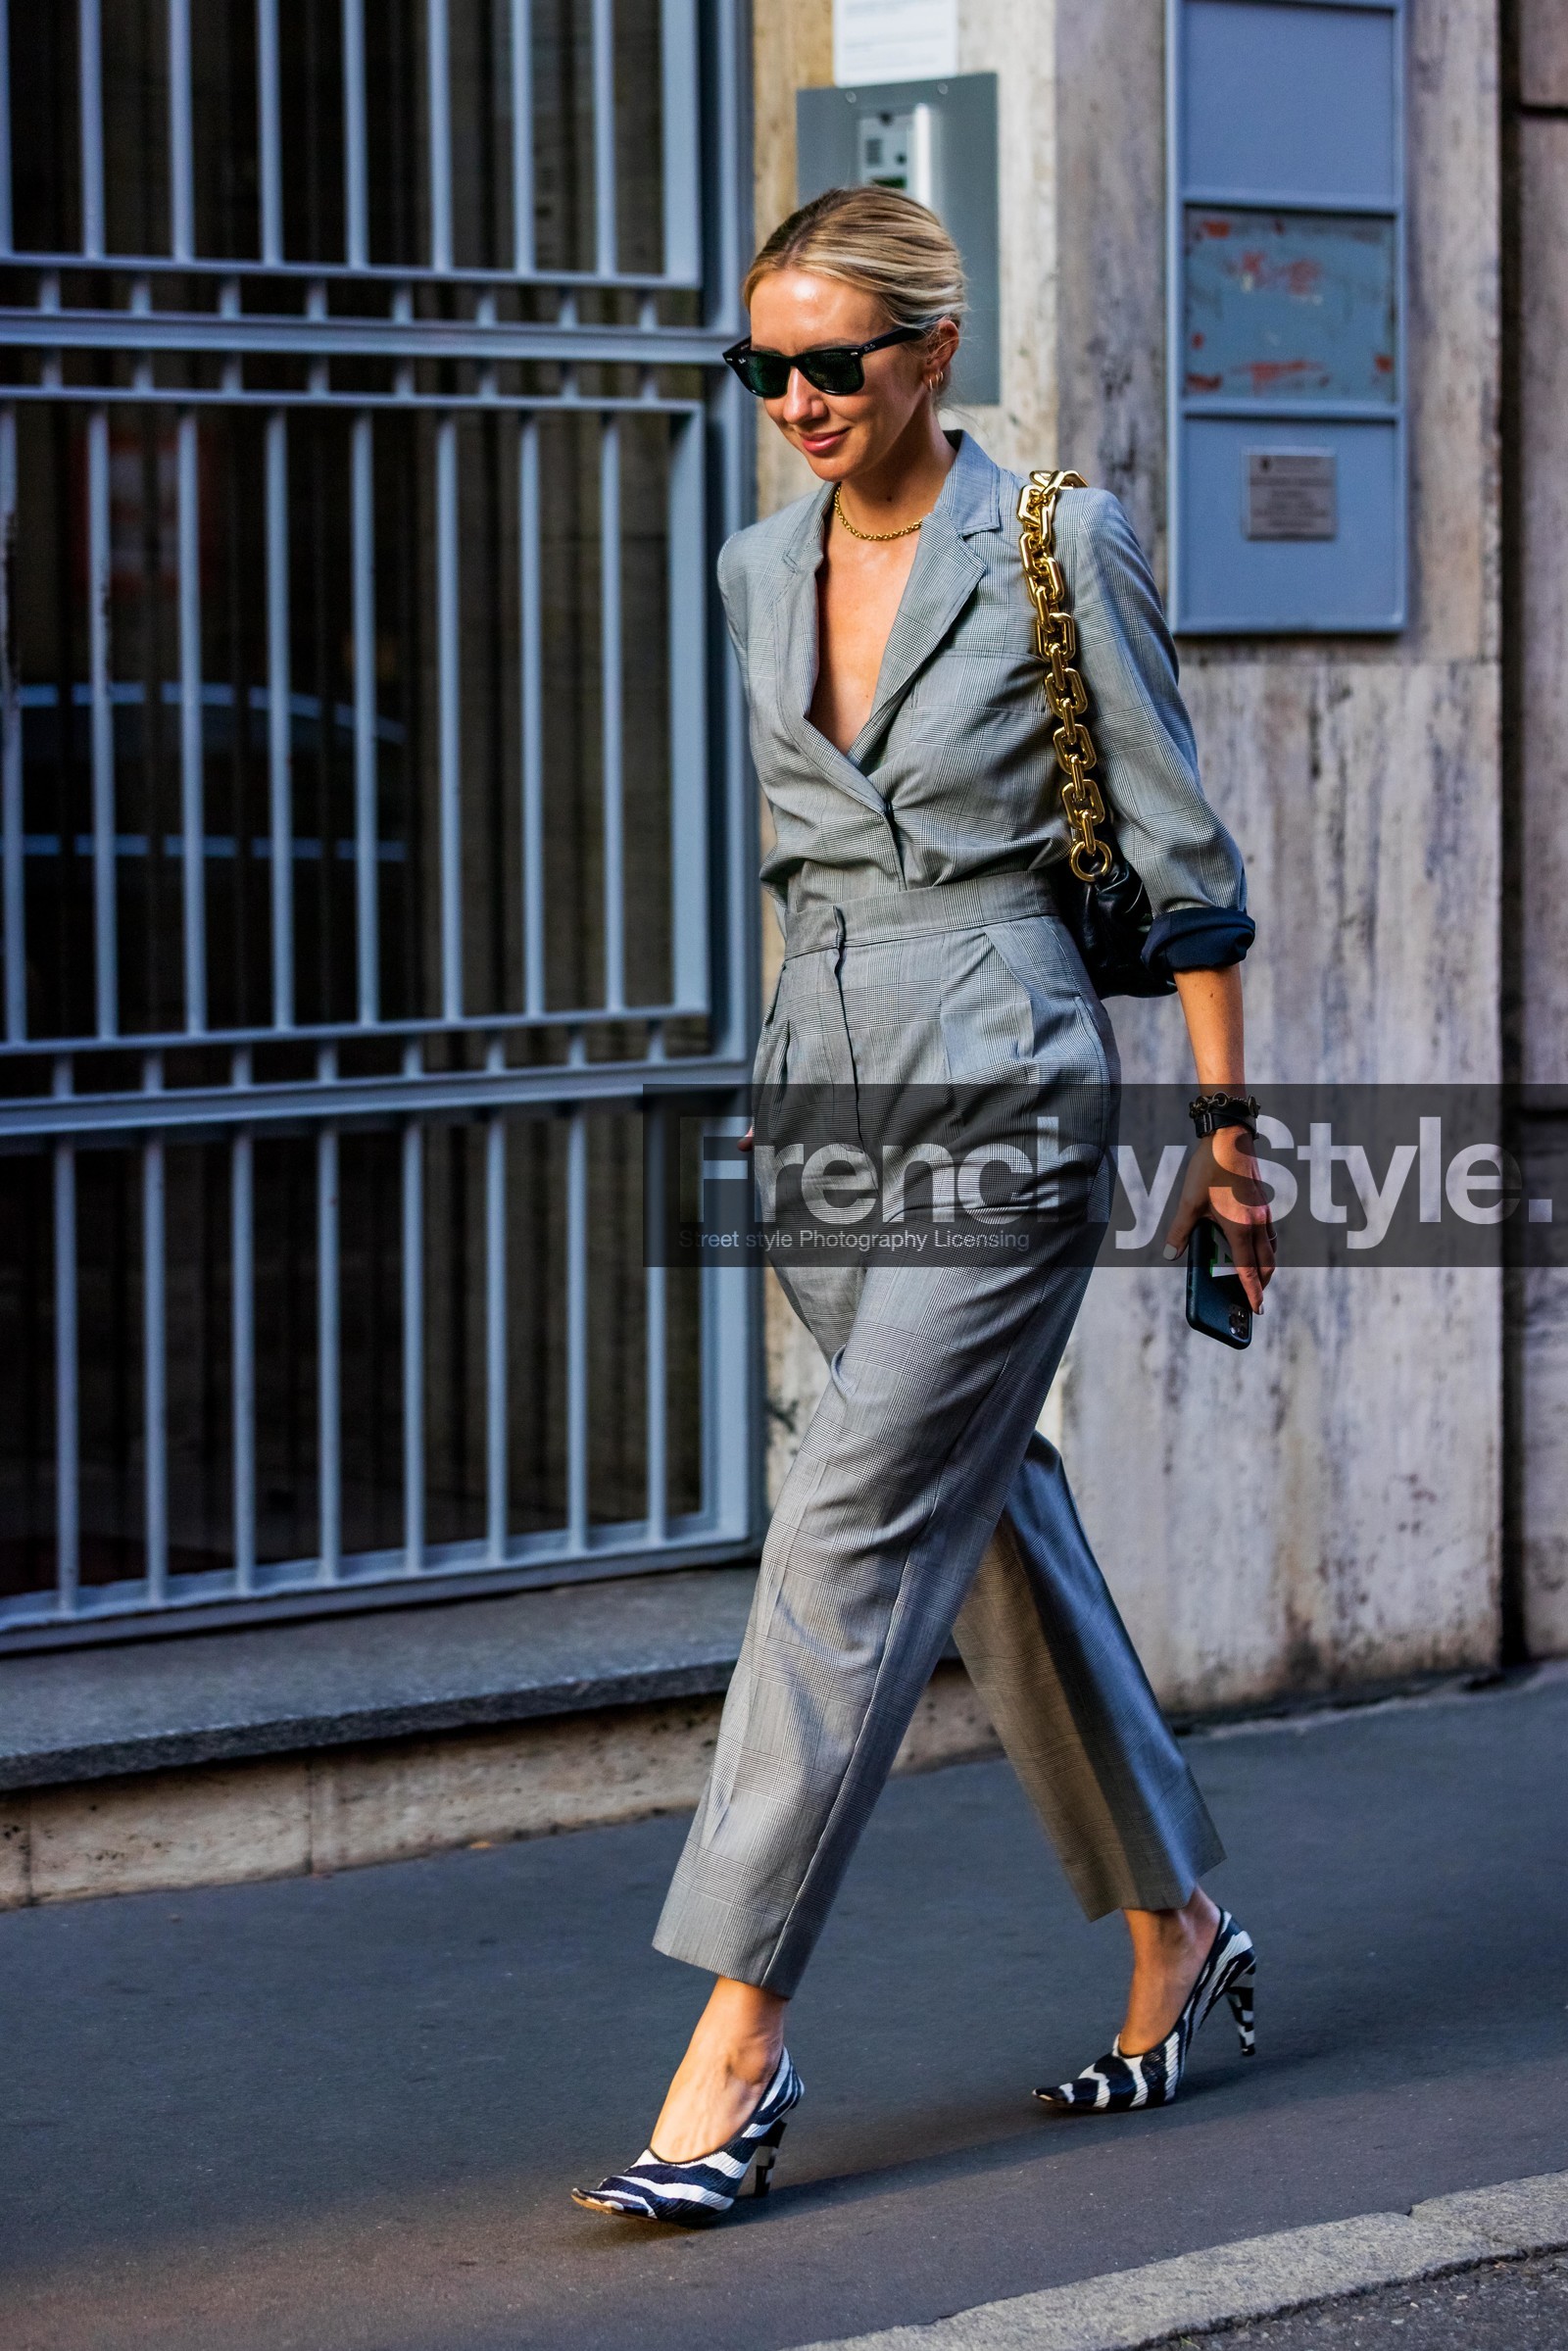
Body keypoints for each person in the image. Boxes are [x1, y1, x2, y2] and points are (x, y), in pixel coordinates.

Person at [572, 186, 1275, 2227]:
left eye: (829, 363)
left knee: (852, 1513)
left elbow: (1177, 845)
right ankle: (1178, 1923)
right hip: (821, 1074)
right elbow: (805, 855)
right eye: (758, 367)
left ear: (929, 355)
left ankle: (735, 2045)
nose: (790, 399)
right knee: (979, 1517)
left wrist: (1228, 1133)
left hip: (1007, 1054)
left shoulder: (1057, 541)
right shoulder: (747, 568)